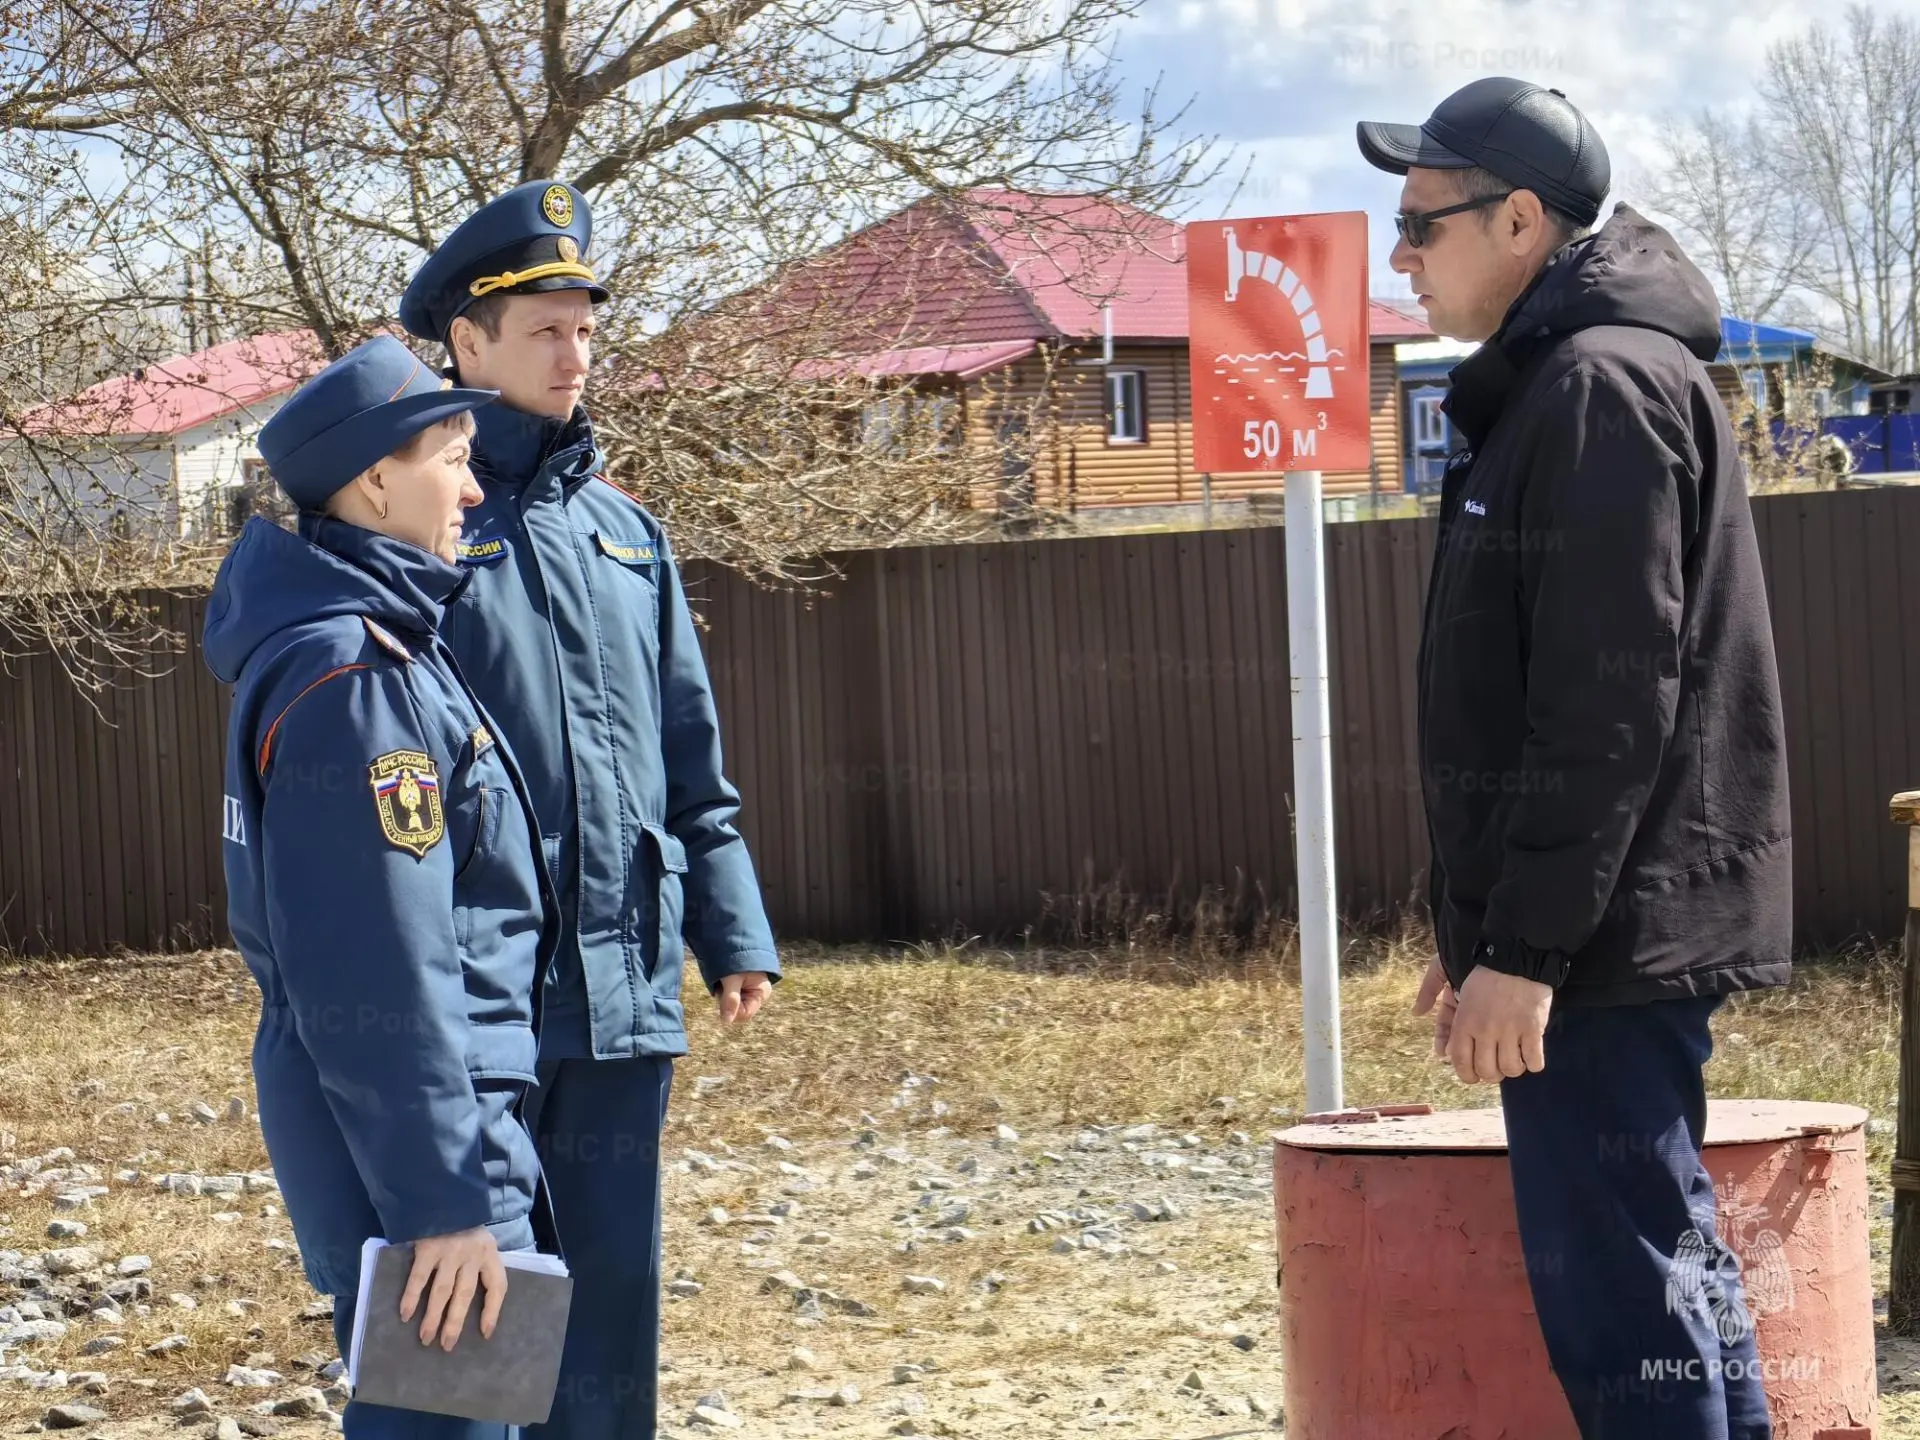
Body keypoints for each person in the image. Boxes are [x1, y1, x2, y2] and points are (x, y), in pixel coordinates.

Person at [1357, 78, 1791, 1438]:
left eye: (1421, 223)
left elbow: (1607, 707)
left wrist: (1528, 950)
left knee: (1629, 1306)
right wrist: (1485, 929)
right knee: (1661, 1269)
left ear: (1521, 221)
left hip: (1607, 942)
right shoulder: (1565, 383)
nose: (1398, 256)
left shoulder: (1599, 387)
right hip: (1599, 930)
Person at [399, 180, 781, 1440]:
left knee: (608, 1319)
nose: (573, 356)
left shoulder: (629, 536)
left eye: (585, 330)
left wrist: (731, 930)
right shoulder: (424, 523)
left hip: (621, 993)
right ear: (468, 343)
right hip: (482, 998)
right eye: (544, 331)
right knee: (472, 1318)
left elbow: (689, 755)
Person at [204, 334, 559, 1440]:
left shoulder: (376, 643)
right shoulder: (354, 675)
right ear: (373, 483)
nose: (473, 487)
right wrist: (441, 1202)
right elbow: (378, 964)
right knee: (447, 1423)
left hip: (437, 1135)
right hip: (425, 1160)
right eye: (452, 459)